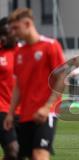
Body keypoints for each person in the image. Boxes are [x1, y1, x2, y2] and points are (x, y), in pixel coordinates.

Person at [3, 8, 65, 160]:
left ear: (28, 23)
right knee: (26, 155)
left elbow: (63, 78)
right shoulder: (20, 52)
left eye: (16, 28)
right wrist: (10, 114)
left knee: (39, 155)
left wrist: (47, 107)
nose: (13, 32)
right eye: (11, 29)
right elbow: (18, 86)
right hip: (25, 115)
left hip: (46, 113)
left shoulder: (51, 45)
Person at [0, 16, 19, 160]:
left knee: (14, 154)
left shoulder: (25, 52)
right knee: (13, 149)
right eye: (1, 34)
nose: (4, 37)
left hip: (21, 111)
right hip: (2, 109)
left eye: (6, 33)